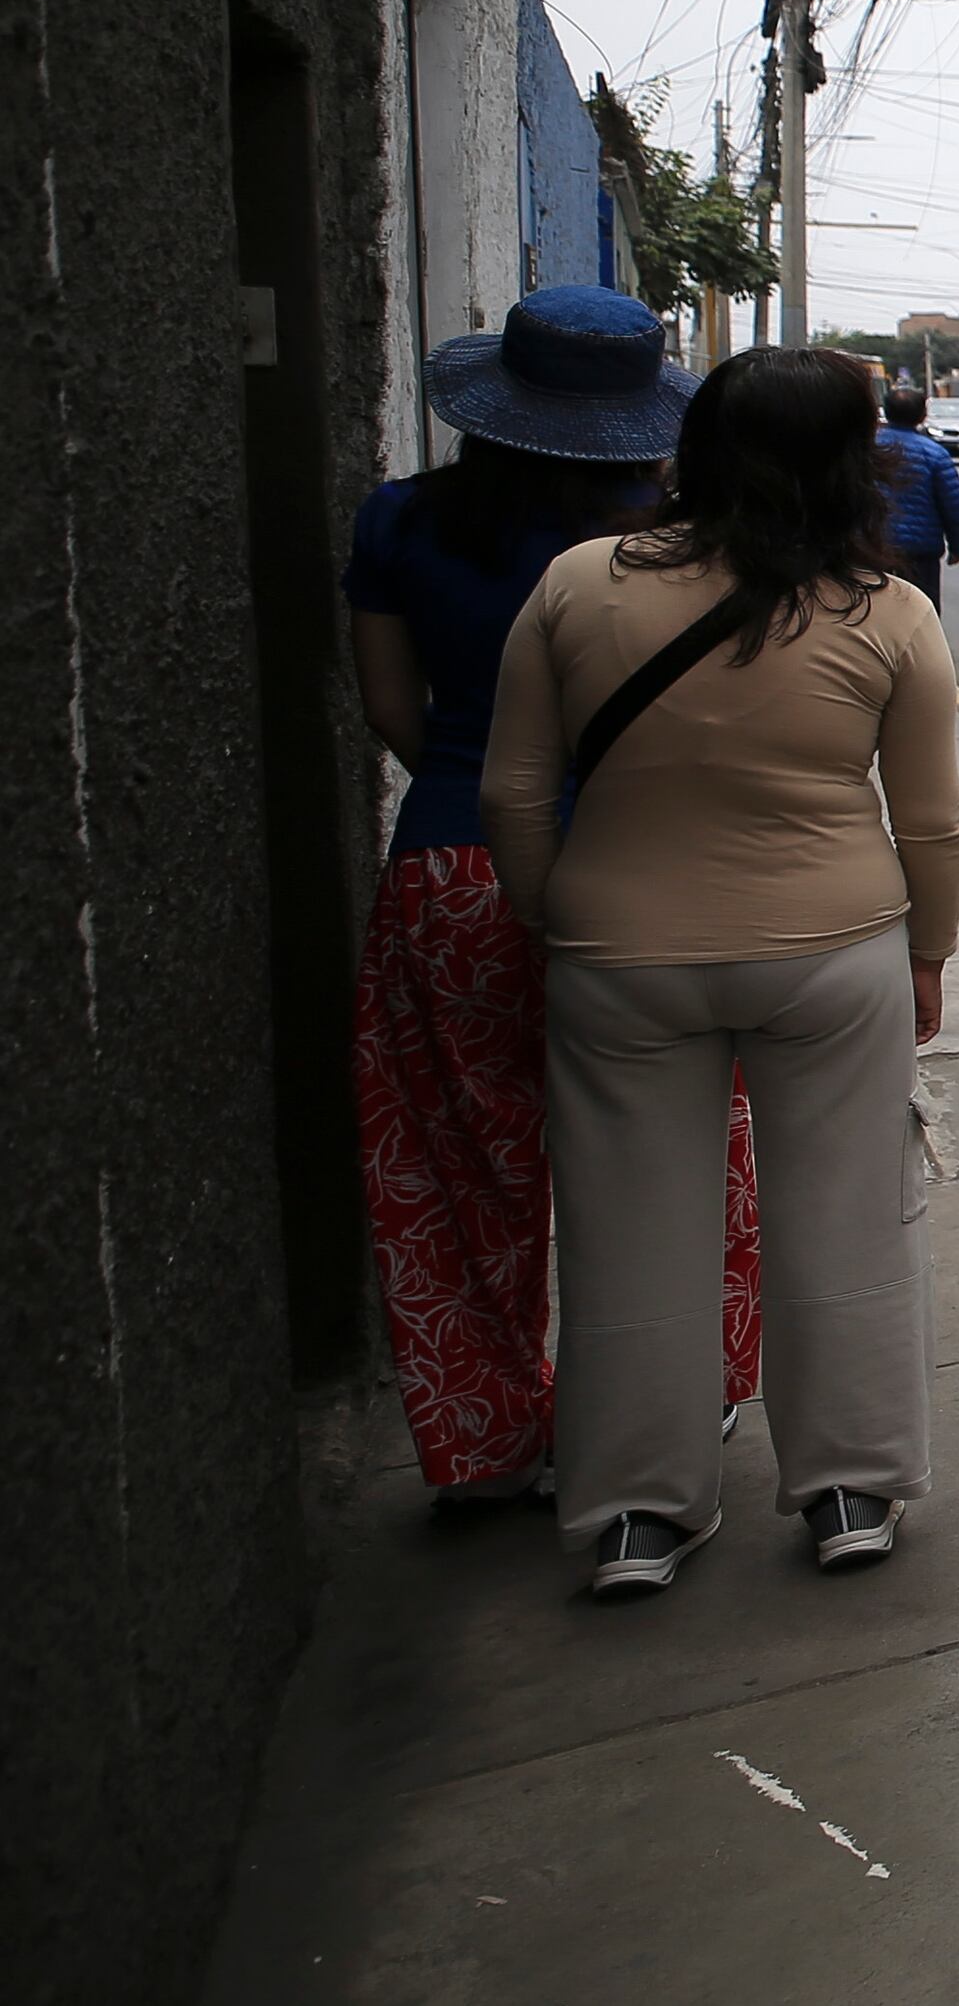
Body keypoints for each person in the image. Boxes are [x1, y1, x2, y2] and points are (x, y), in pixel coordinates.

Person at [484, 343, 959, 1598]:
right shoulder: (885, 611)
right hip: (832, 952)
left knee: (627, 1233)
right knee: (850, 1219)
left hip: (618, 956)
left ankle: (639, 1513)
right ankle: (851, 1490)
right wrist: (927, 955)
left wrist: (556, 919)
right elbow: (933, 825)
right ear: (849, 465)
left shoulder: (576, 586)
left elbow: (517, 790)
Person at [347, 287, 765, 1502]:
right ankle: (685, 1397)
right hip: (644, 878)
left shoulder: (399, 525)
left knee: (461, 1169)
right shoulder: (669, 550)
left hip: (451, 873)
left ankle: (488, 1442)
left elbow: (391, 711)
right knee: (679, 1154)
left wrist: (483, 793)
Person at [872, 371, 959, 608]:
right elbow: (954, 506)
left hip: (870, 549)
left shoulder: (865, 448)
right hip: (919, 553)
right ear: (922, 415)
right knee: (920, 615)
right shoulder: (934, 454)